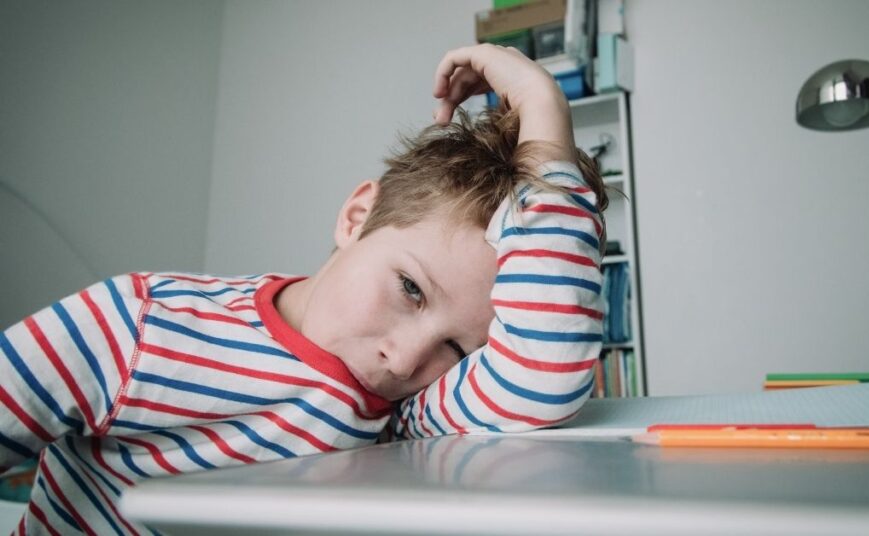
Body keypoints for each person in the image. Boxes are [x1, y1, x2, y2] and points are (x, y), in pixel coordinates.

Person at [0, 44, 607, 534]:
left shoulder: (402, 413)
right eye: (410, 290)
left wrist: (542, 107)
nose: (406, 358)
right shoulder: (137, 326)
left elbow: (544, 365)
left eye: (457, 348)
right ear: (356, 218)